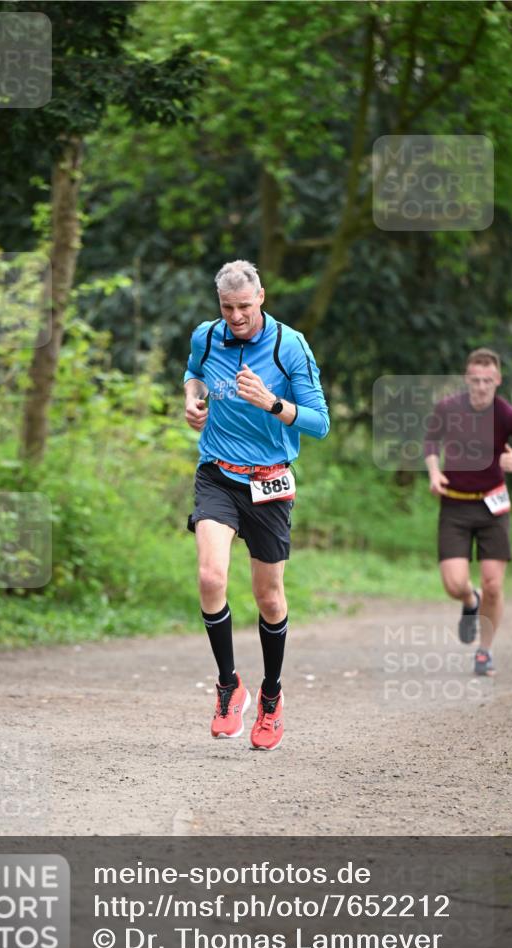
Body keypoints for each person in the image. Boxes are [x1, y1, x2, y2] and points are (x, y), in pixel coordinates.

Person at [184, 260, 329, 749]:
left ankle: (271, 695)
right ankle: (229, 686)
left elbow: (319, 422)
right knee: (210, 577)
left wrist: (271, 402)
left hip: (269, 482)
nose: (237, 317)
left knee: (268, 598)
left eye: (244, 306)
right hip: (219, 475)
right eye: (228, 308)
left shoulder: (290, 345)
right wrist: (193, 399)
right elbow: (193, 373)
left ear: (261, 297)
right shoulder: (207, 336)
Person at [424, 348, 512, 676]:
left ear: (498, 380)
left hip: (493, 507)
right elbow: (431, 441)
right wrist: (434, 472)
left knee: (493, 583)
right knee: (454, 584)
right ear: (467, 379)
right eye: (475, 380)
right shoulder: (449, 408)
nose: (480, 387)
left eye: (487, 381)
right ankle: (469, 601)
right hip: (455, 505)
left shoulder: (508, 416)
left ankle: (485, 652)